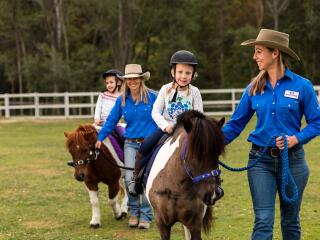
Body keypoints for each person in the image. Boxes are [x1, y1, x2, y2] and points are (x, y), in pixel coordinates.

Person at [222, 29, 320, 240]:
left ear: (275, 53)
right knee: (264, 220)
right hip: (260, 162)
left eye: (258, 51)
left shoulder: (302, 86)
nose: (254, 56)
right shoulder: (253, 88)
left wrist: (296, 138)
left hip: (293, 162)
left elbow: (317, 122)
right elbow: (235, 125)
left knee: (290, 221)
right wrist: (210, 143)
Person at [130, 50, 224, 198]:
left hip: (188, 131)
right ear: (173, 72)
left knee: (206, 152)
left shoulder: (195, 92)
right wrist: (165, 126)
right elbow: (155, 111)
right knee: (146, 145)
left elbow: (199, 114)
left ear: (193, 74)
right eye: (180, 72)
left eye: (188, 73)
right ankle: (137, 178)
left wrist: (194, 130)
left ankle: (214, 182)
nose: (183, 76)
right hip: (168, 128)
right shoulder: (165, 89)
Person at [95, 64, 158, 230]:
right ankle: (133, 212)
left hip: (150, 143)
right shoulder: (122, 99)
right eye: (128, 79)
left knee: (146, 179)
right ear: (125, 81)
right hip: (130, 143)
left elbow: (163, 117)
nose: (132, 82)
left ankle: (146, 215)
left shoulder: (153, 97)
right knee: (130, 179)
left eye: (135, 78)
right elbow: (111, 120)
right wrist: (100, 137)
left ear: (141, 79)